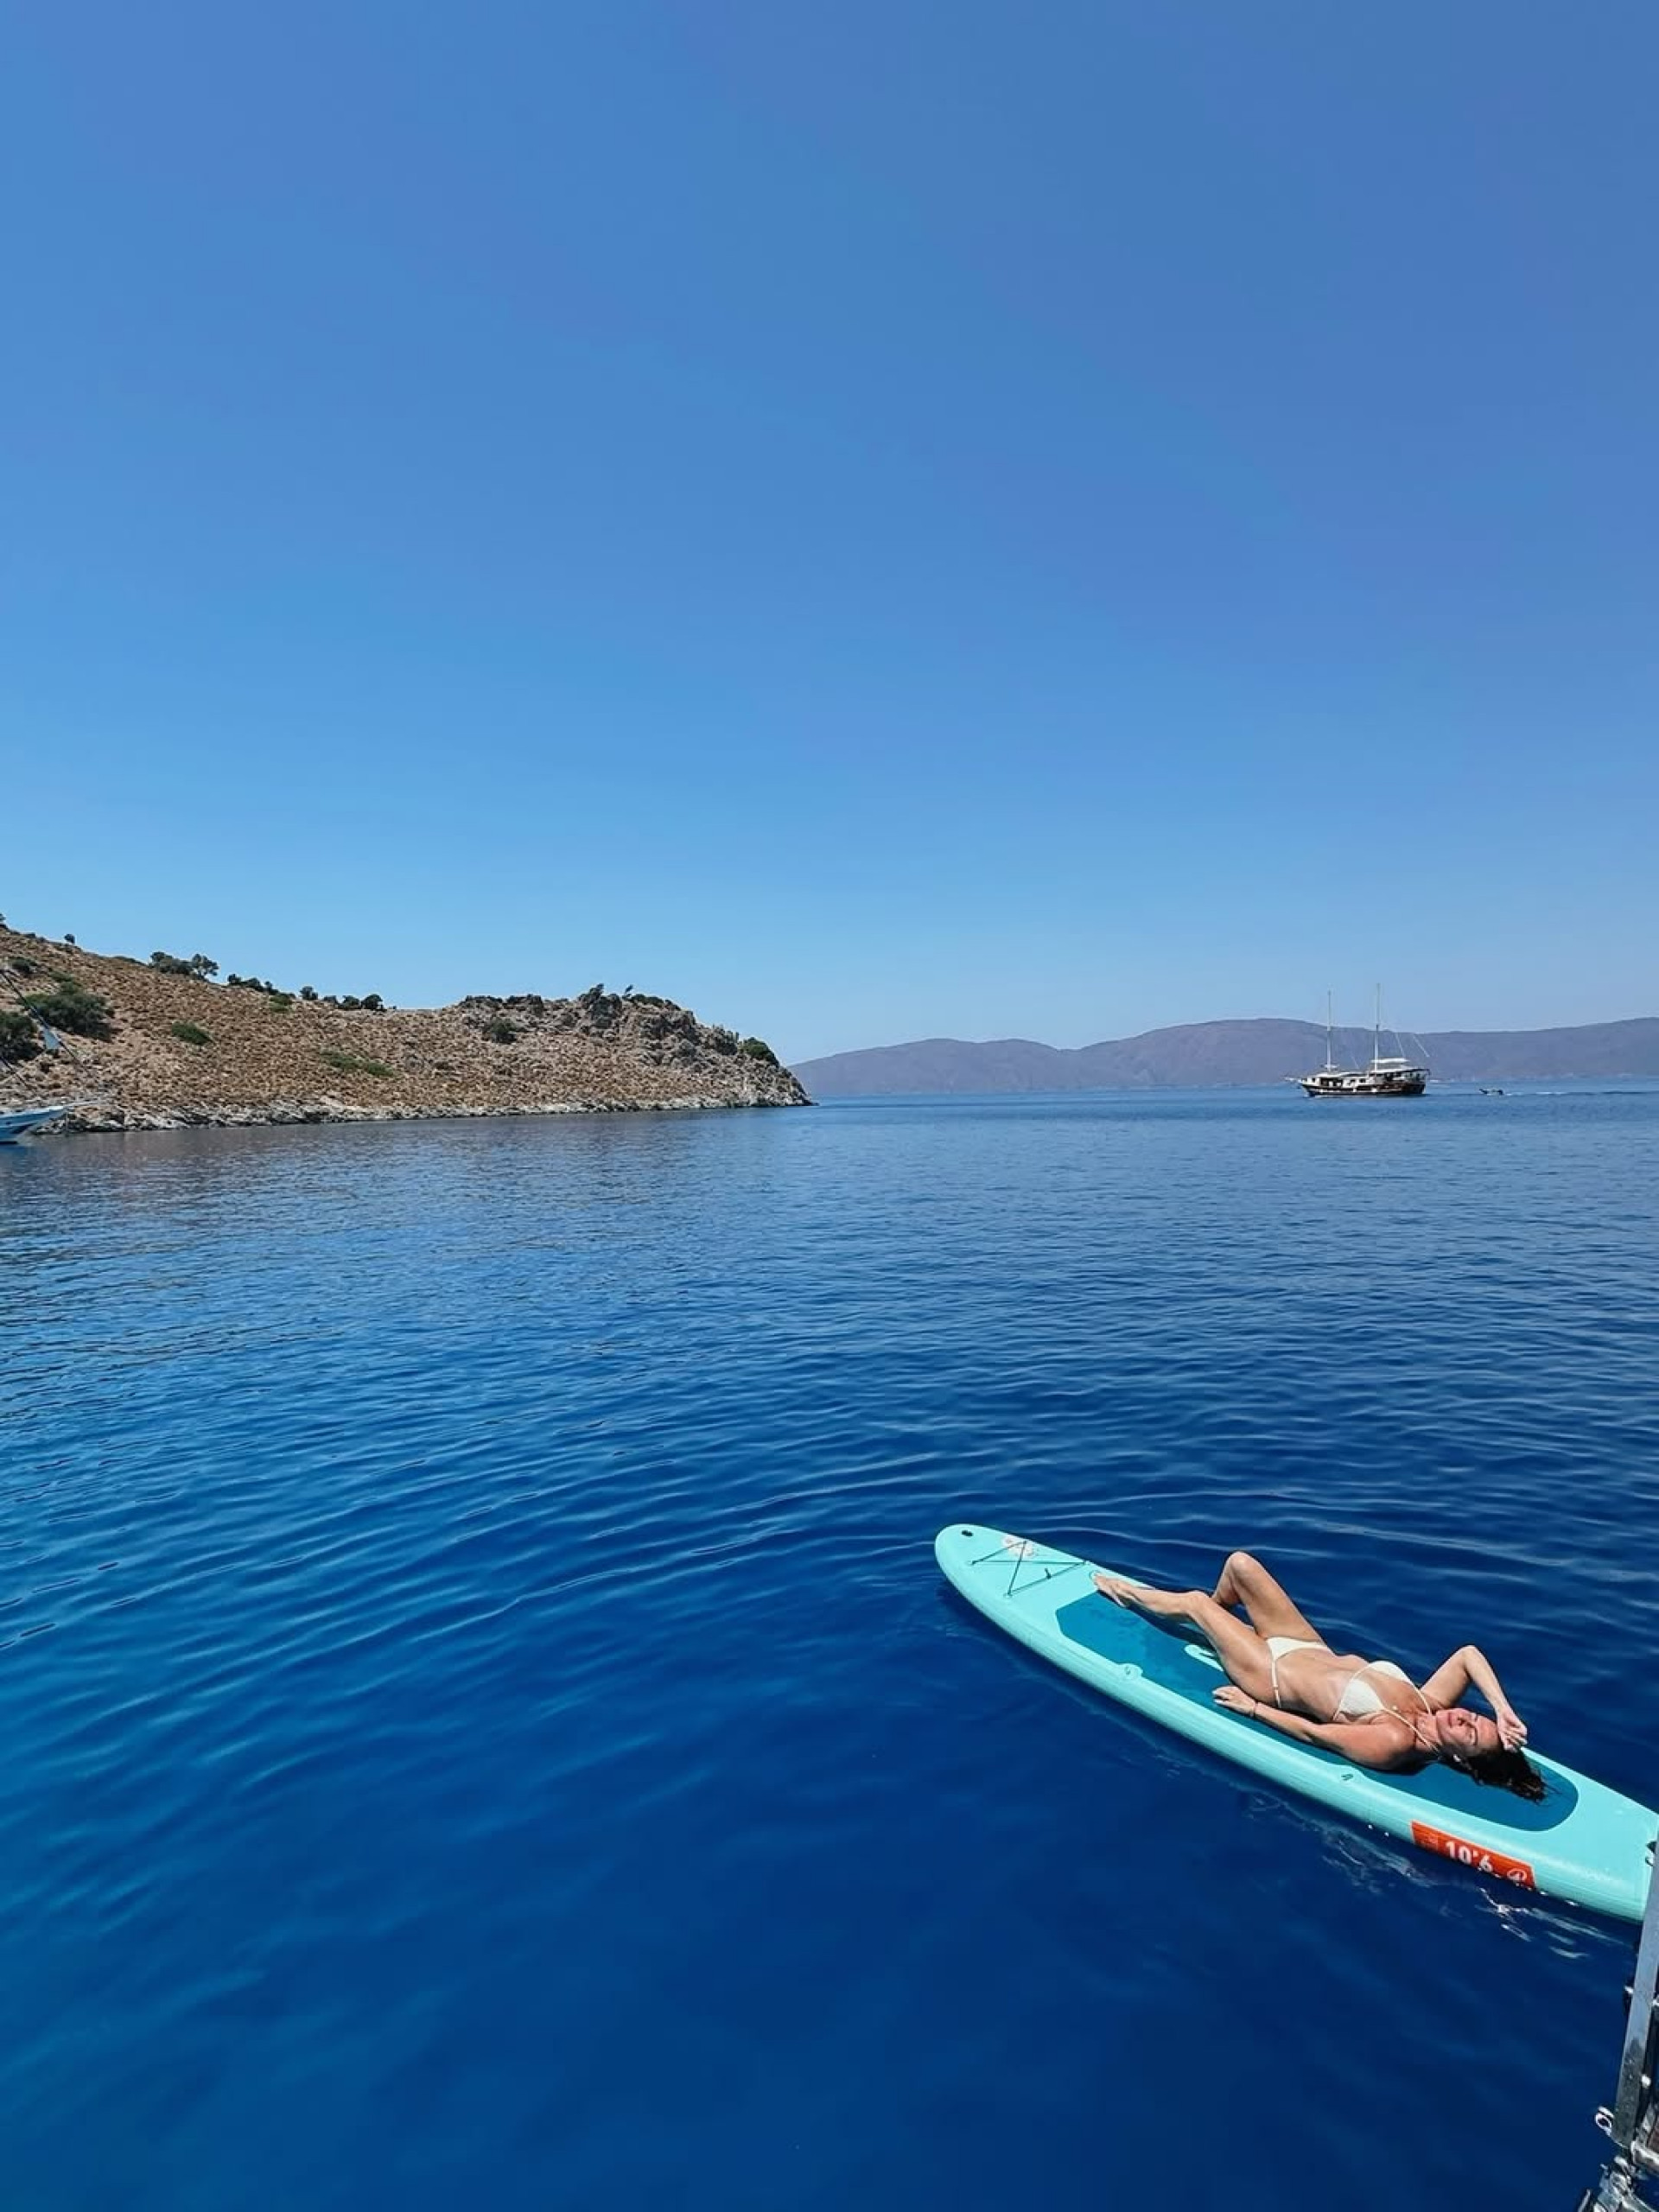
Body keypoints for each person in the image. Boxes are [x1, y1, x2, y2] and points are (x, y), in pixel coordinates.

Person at [1094, 1550, 1546, 1802]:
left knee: (1194, 1601)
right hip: (1306, 1646)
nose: (1464, 1721)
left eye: (1469, 1735)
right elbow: (1469, 1654)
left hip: (1267, 1674)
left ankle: (1132, 1596)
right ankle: (1217, 1623)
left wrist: (1254, 1709)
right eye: (1474, 1718)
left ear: (1461, 1760)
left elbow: (1316, 1735)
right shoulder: (1432, 1703)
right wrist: (1503, 1710)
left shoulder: (1394, 1741)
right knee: (1241, 1565)